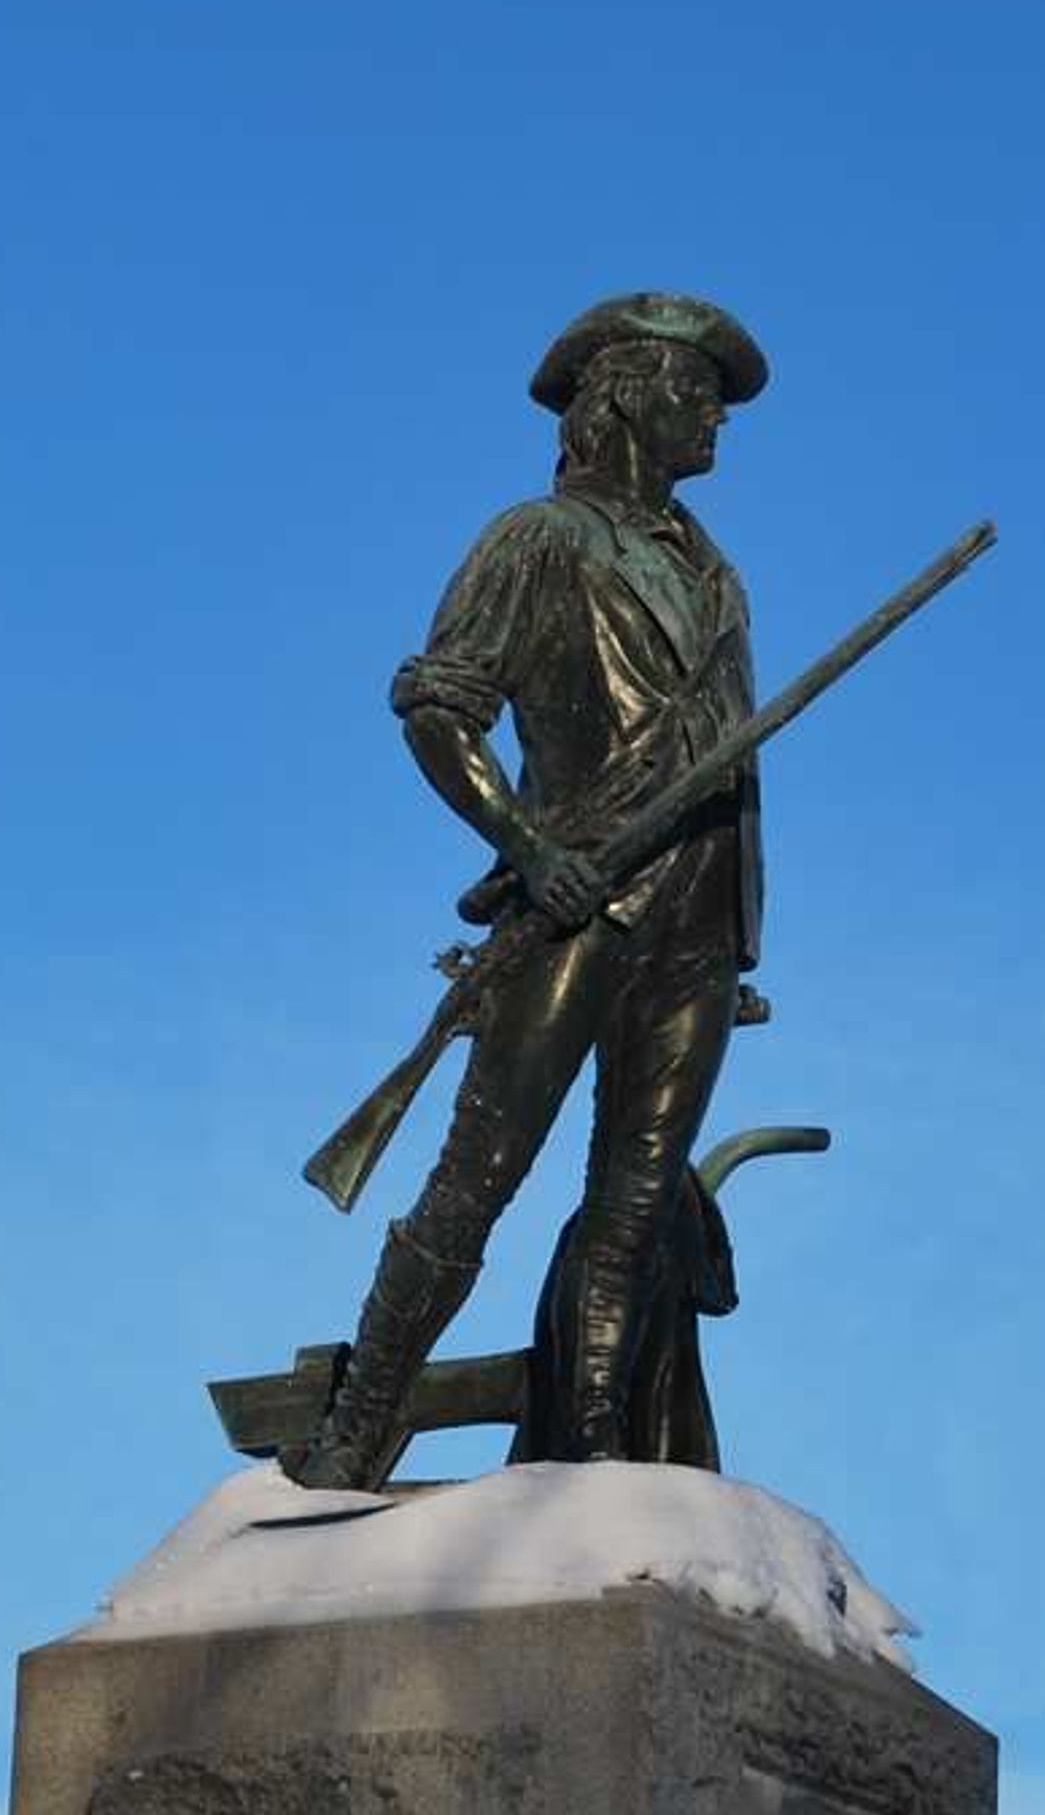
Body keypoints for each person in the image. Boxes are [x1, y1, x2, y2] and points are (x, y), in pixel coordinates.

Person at [284, 292, 771, 1492]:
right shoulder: (539, 538)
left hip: (701, 917)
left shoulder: (722, 580)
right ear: (617, 400)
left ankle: (593, 1455)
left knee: (636, 1202)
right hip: (579, 899)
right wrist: (524, 842)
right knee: (478, 1178)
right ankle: (358, 1432)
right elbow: (441, 704)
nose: (712, 412)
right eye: (688, 387)